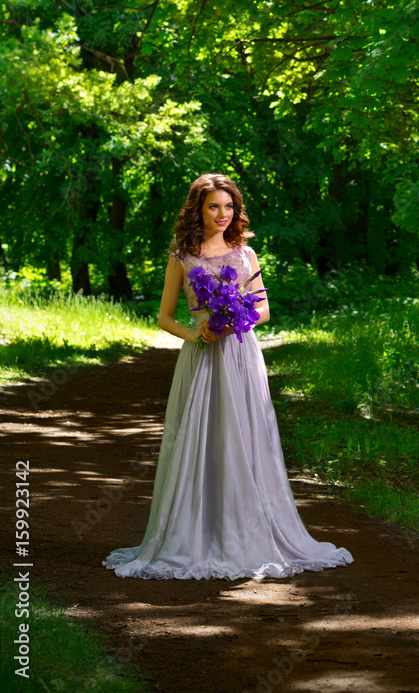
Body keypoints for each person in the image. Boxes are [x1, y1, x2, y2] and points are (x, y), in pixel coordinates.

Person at [103, 173, 353, 580]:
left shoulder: (245, 253)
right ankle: (194, 535)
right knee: (204, 439)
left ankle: (248, 533)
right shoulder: (181, 258)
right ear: (198, 210)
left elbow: (265, 310)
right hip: (202, 357)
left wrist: (233, 319)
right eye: (213, 206)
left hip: (240, 353)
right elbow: (165, 317)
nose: (222, 214)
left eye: (229, 206)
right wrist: (198, 331)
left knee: (246, 437)